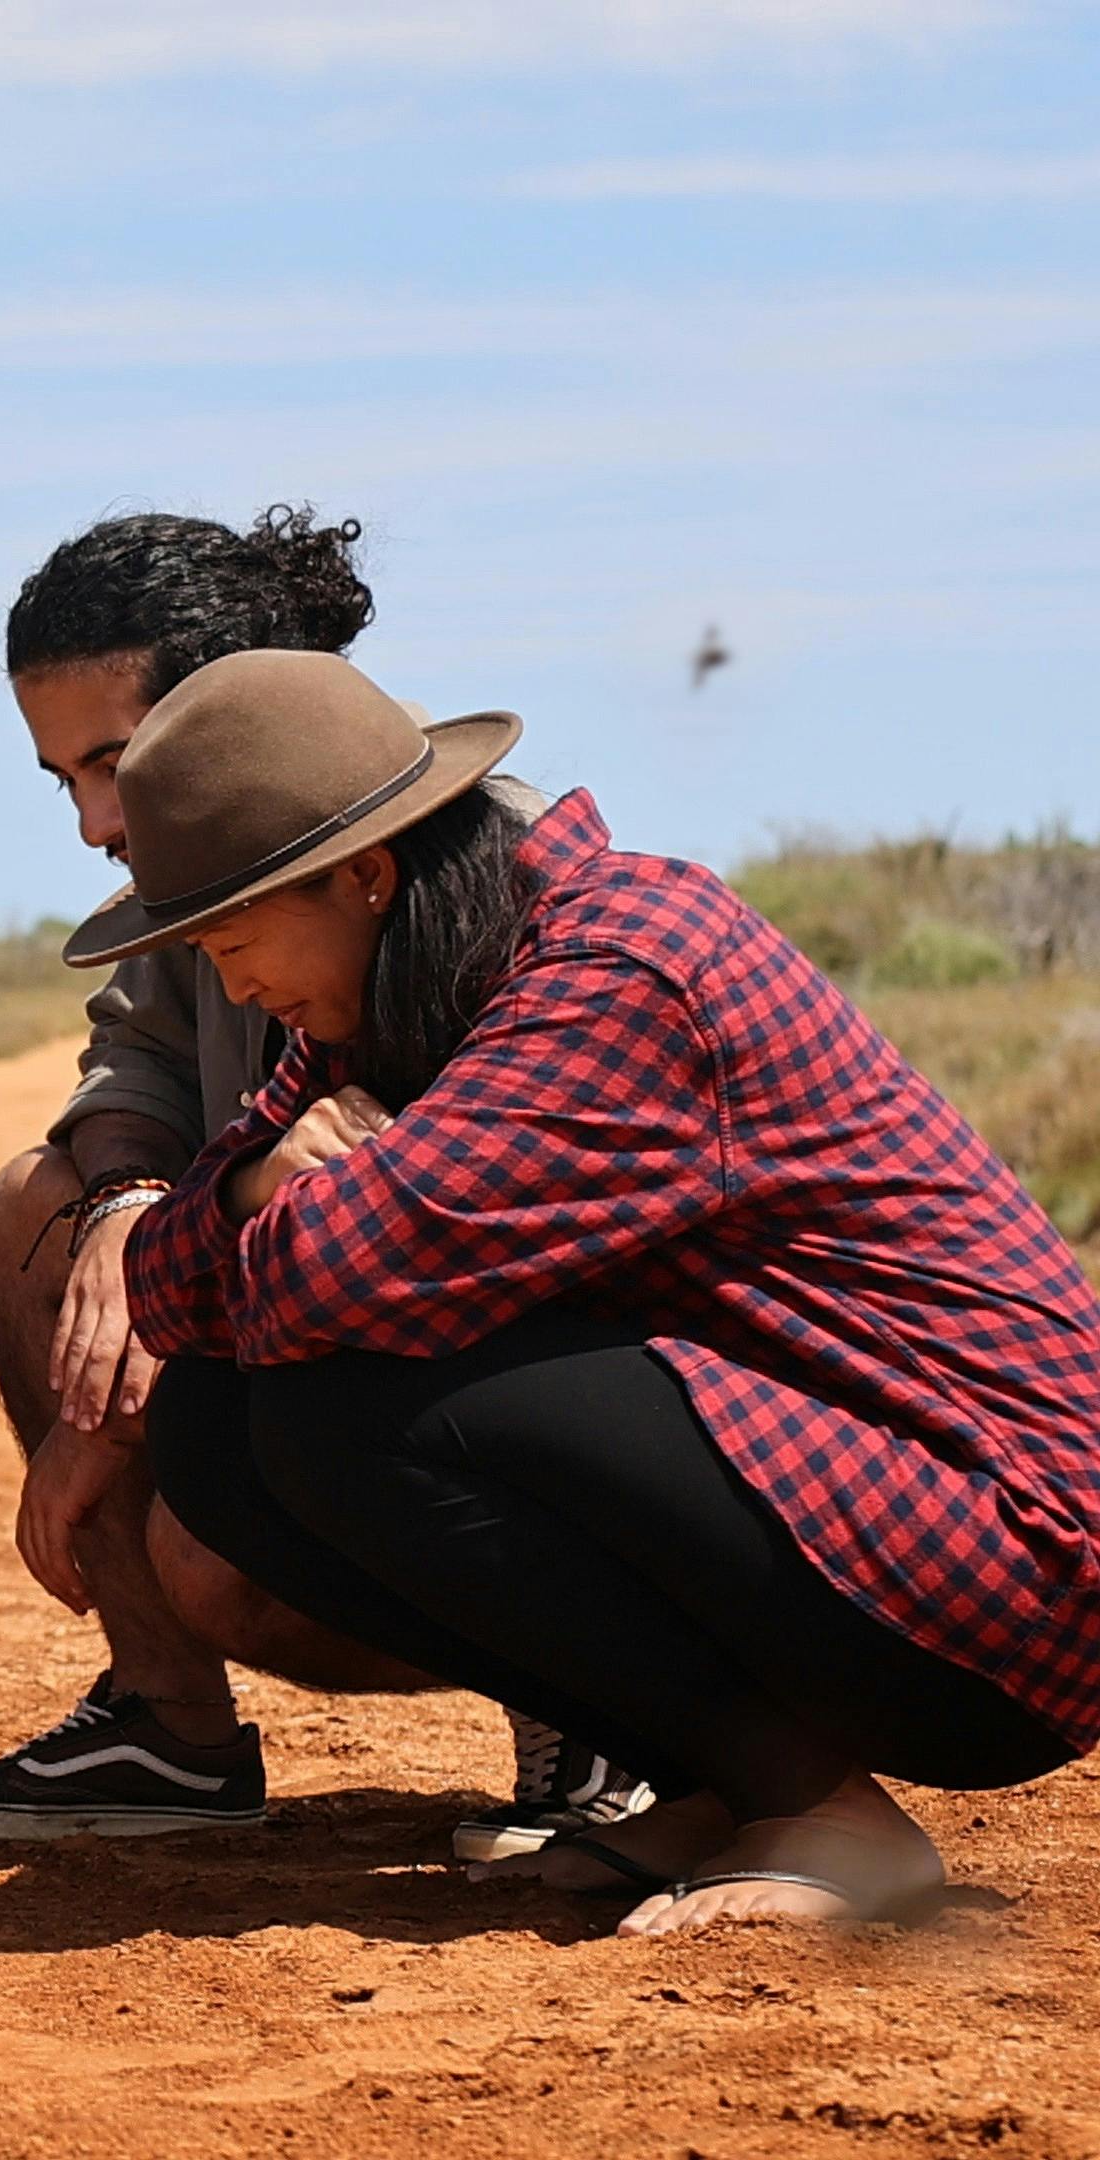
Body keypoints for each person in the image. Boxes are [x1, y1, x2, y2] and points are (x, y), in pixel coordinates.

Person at [81, 647, 1100, 1933]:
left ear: (363, 875)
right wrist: (247, 1185)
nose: (234, 989)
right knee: (211, 1427)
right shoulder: (394, 990)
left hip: (1010, 1566)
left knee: (335, 1409)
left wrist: (268, 1221)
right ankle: (725, 1785)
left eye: (233, 939)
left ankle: (826, 1816)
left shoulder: (624, 970)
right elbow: (169, 1291)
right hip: (850, 1528)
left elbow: (324, 1276)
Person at [0, 509, 648, 1861]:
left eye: (114, 765)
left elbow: (432, 1235)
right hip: (267, 1305)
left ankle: (599, 1708)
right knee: (32, 1212)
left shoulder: (488, 866)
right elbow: (134, 1069)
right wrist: (123, 1210)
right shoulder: (198, 865)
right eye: (64, 780)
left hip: (481, 1368)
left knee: (229, 1530)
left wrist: (119, 1408)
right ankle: (163, 1722)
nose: (96, 824)